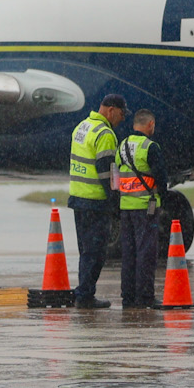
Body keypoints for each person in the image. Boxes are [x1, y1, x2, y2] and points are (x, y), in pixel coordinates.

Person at [66, 93, 127, 309]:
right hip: (95, 201)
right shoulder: (106, 134)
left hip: (78, 198)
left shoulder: (82, 127)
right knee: (96, 252)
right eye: (121, 114)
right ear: (111, 110)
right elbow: (107, 173)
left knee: (85, 250)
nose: (121, 119)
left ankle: (83, 291)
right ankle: (84, 295)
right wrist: (115, 201)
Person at [114, 109, 170, 308]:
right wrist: (164, 198)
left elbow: (116, 175)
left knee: (128, 254)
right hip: (146, 207)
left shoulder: (122, 146)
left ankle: (128, 297)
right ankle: (145, 297)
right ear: (150, 125)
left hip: (125, 206)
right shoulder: (150, 147)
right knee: (146, 253)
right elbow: (161, 177)